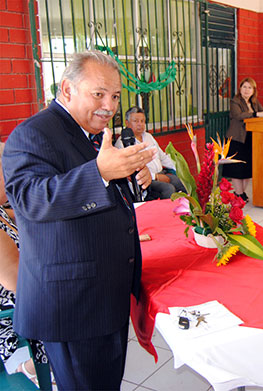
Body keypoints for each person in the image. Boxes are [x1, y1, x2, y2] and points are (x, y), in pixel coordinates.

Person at [2, 50, 155, 390]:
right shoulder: (33, 134)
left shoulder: (87, 132)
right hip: (74, 304)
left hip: (103, 293)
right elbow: (31, 200)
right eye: (98, 94)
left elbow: (95, 195)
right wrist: (100, 172)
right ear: (67, 90)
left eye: (115, 96)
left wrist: (128, 174)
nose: (109, 106)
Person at [0, 143, 48, 386]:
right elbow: (16, 281)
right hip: (10, 312)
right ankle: (33, 366)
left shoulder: (1, 210)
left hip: (25, 289)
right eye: (7, 170)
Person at [115, 106, 185, 200]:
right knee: (168, 189)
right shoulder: (123, 143)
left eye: (142, 121)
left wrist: (179, 168)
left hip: (161, 173)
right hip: (146, 180)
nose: (140, 124)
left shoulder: (148, 136)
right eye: (136, 121)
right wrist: (155, 177)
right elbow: (130, 171)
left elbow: (162, 157)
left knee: (183, 182)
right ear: (127, 123)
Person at [225, 77, 263, 201]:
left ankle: (240, 193)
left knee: (246, 169)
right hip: (237, 139)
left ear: (253, 90)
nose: (246, 90)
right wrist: (256, 114)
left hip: (250, 139)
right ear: (240, 89)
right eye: (244, 87)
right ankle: (239, 193)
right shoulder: (235, 101)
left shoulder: (254, 102)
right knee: (236, 169)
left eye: (249, 88)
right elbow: (238, 115)